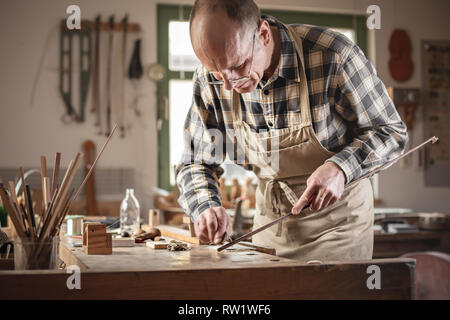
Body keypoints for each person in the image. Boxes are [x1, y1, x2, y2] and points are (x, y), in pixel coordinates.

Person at [175, 0, 408, 261]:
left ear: (263, 34)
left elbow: (391, 132)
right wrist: (206, 206)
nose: (227, 84)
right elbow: (195, 162)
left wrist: (341, 169)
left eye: (239, 66)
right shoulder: (212, 77)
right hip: (272, 228)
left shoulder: (333, 55)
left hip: (339, 226)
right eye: (216, 72)